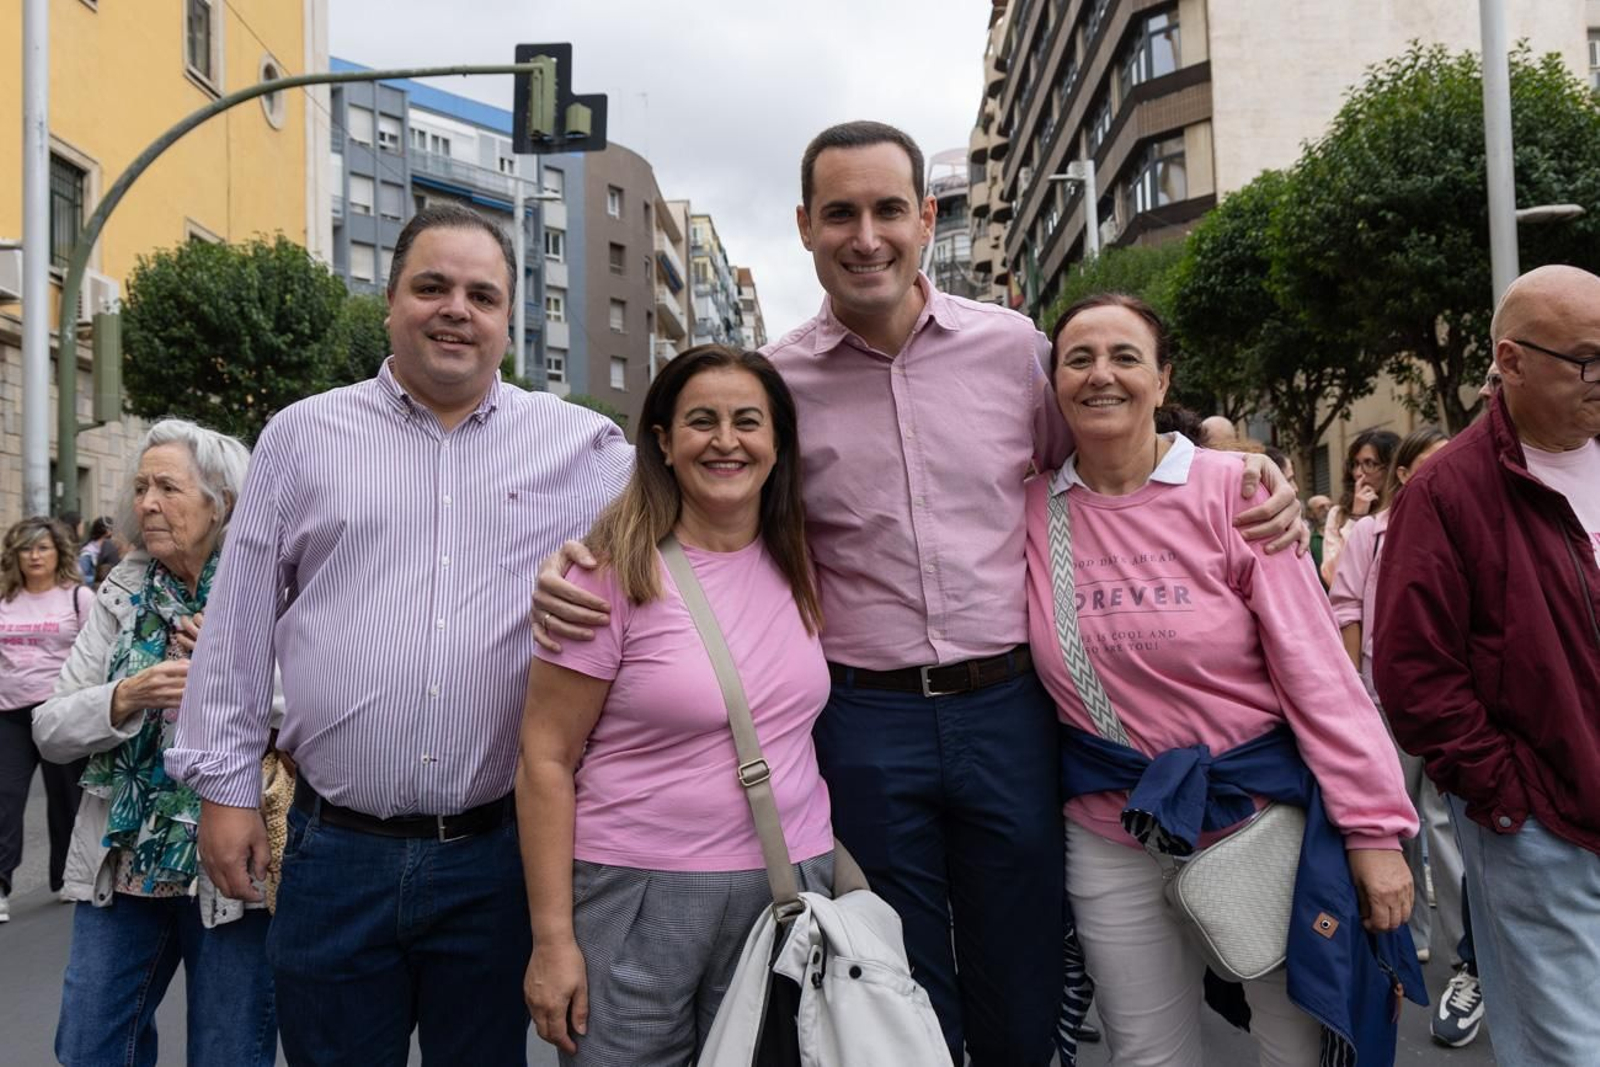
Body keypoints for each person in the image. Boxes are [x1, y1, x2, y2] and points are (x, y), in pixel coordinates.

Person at [534, 121, 1305, 1066]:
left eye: (889, 209)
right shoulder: (777, 380)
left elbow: (1108, 476)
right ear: (806, 228)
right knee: (888, 980)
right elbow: (692, 490)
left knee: (1022, 971)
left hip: (1012, 710)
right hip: (864, 717)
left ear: (924, 216)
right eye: (842, 213)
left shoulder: (1014, 349)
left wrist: (1235, 473)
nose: (867, 235)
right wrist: (573, 555)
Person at [167, 203, 633, 1066]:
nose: (457, 308)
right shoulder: (303, 436)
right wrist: (224, 790)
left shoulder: (586, 449)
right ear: (390, 303)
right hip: (333, 849)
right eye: (432, 286)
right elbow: (238, 625)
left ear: (508, 319)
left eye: (482, 294)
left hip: (500, 860)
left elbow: (680, 566)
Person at [1029, 293, 1421, 1065]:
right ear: (1055, 385)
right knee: (1146, 1051)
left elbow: (1318, 673)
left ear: (1164, 379)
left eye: (1125, 356)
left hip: (1253, 818)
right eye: (1079, 358)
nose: (1101, 374)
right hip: (1114, 830)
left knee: (1295, 1040)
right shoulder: (1029, 511)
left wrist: (1375, 830)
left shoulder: (1235, 492)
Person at [520, 345, 835, 1063]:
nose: (726, 440)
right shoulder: (606, 573)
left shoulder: (805, 562)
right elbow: (544, 757)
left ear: (778, 441)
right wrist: (552, 938)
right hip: (636, 896)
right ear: (663, 441)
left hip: (786, 886)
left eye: (747, 421)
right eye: (702, 420)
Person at [1375, 264, 1600, 1067]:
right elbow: (1414, 675)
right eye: (1587, 359)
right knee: (1567, 1047)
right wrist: (1513, 800)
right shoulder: (1445, 490)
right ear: (1510, 360)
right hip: (1546, 826)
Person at [31, 418, 275, 1066]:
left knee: (230, 1052)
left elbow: (320, 708)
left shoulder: (272, 585)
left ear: (220, 499)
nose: (146, 503)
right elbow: (50, 728)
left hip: (233, 863)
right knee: (88, 1046)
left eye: (167, 486)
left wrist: (228, 670)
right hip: (127, 862)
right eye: (140, 487)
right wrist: (124, 695)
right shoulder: (120, 590)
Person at [1327, 426, 1481, 1044]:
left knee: (1446, 830)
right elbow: (1347, 610)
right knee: (1400, 825)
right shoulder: (1371, 533)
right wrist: (1355, 700)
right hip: (1383, 704)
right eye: (1423, 465)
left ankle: (1466, 955)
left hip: (1455, 706)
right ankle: (1410, 934)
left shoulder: (1471, 526)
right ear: (1403, 473)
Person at [0, 517, 88, 921]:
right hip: (9, 713)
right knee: (5, 798)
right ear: (14, 556)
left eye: (43, 548)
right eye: (26, 549)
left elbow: (96, 654)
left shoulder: (78, 598)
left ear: (58, 554)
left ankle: (68, 876)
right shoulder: (4, 598)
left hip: (60, 710)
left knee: (67, 798)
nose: (34, 556)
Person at [1319, 429, 1399, 586]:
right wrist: (1356, 519)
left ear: (1391, 467)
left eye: (1369, 464)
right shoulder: (1339, 514)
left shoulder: (1404, 509)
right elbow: (1332, 577)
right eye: (1355, 464)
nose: (1358, 473)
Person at [77, 516, 114, 587]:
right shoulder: (88, 552)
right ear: (108, 531)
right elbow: (80, 576)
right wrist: (94, 579)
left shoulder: (108, 547)